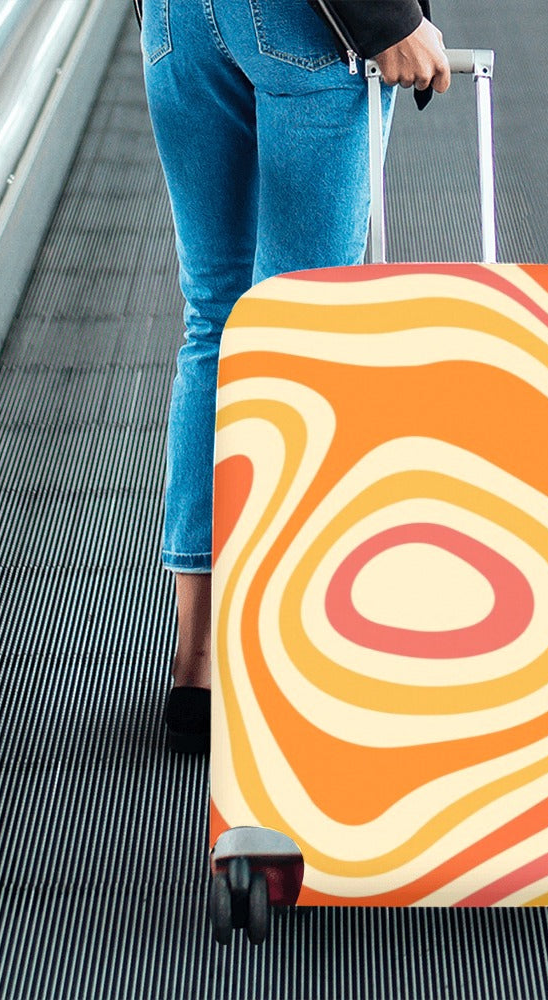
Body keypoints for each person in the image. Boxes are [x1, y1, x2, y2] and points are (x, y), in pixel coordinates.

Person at [140, 0, 450, 751]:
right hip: (305, 25)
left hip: (176, 24)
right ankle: (285, 657)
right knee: (300, 331)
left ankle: (201, 662)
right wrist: (387, 17)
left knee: (216, 318)